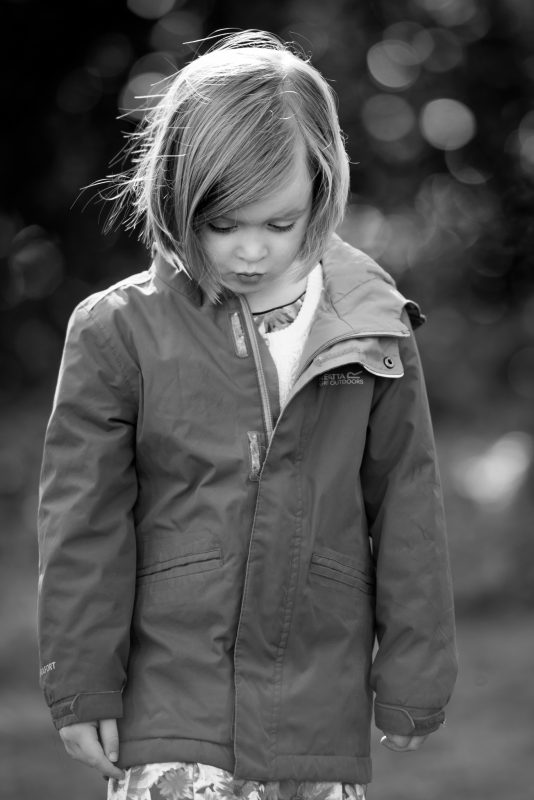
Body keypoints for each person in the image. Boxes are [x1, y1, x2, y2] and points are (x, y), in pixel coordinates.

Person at [37, 30, 458, 800]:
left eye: (279, 223)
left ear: (322, 190)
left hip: (316, 712)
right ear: (174, 196)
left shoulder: (373, 324)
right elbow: (82, 521)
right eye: (222, 225)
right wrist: (83, 683)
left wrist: (415, 666)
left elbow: (408, 501)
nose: (251, 252)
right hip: (170, 702)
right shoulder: (117, 330)